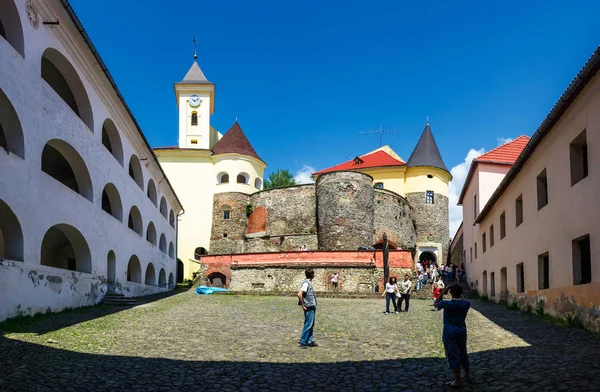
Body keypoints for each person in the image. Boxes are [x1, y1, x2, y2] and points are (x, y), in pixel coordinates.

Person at [435, 284, 471, 388]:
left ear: (450, 293)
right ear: (461, 292)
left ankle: (458, 380)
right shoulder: (466, 304)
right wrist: (459, 292)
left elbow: (436, 304)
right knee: (463, 353)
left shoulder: (447, 304)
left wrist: (442, 293)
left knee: (453, 355)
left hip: (449, 332)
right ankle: (467, 375)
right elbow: (463, 300)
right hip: (461, 331)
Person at [297, 269, 318, 348]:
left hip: (311, 306)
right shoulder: (306, 283)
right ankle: (303, 342)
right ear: (312, 275)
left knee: (311, 324)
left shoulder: (307, 282)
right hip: (309, 307)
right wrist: (303, 305)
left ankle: (309, 341)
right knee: (308, 325)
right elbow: (299, 294)